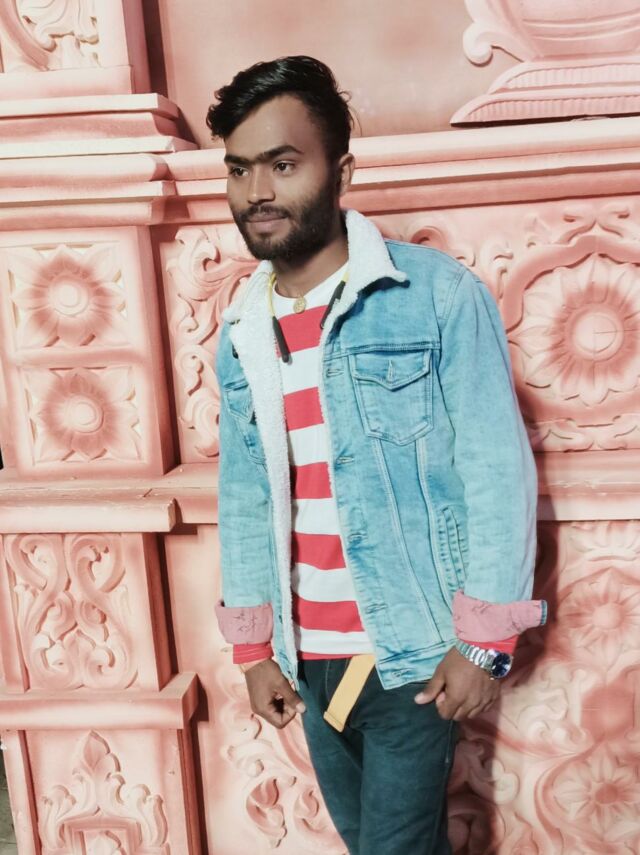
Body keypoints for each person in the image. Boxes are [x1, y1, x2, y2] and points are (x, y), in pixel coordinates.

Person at [208, 56, 546, 855]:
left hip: (410, 654)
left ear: (341, 171)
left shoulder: (434, 295)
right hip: (306, 659)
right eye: (240, 169)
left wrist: (484, 641)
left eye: (283, 164)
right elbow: (245, 494)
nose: (257, 190)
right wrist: (254, 650)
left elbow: (497, 472)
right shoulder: (241, 329)